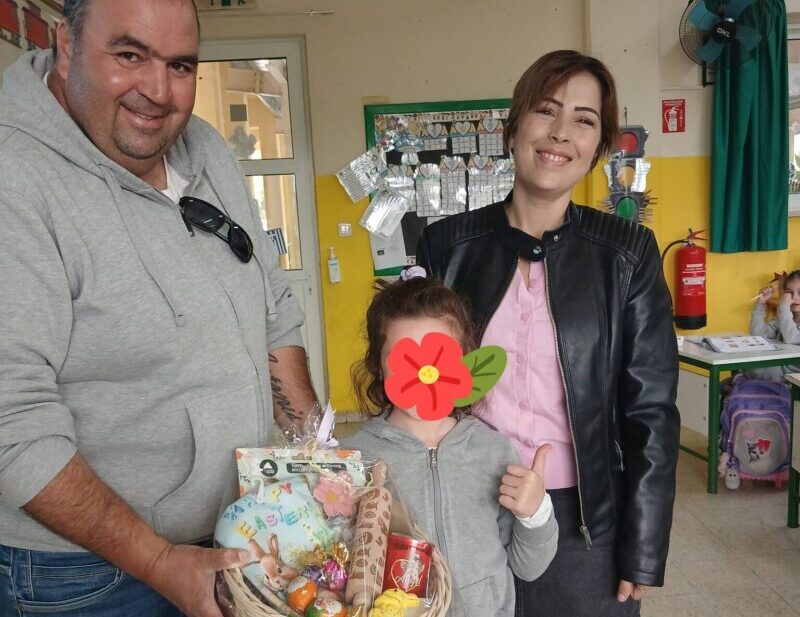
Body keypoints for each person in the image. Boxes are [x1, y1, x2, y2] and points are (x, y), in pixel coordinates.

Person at [0, 1, 319, 616]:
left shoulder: (206, 149)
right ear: (66, 46)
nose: (158, 92)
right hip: (83, 577)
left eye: (180, 66)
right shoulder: (15, 178)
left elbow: (272, 308)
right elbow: (11, 422)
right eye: (129, 55)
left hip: (230, 536)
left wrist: (320, 458)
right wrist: (159, 561)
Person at [416, 50, 680, 617]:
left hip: (582, 519)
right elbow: (413, 386)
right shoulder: (447, 246)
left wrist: (645, 543)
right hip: (467, 504)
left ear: (598, 147)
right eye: (546, 110)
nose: (561, 132)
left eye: (584, 120)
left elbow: (651, 410)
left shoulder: (627, 253)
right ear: (514, 128)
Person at [343, 272, 559, 617]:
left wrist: (535, 513)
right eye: (404, 360)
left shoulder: (493, 452)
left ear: (462, 364)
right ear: (378, 367)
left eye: (437, 358)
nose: (423, 372)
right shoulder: (354, 458)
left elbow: (528, 567)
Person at [749, 270, 800, 380]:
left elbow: (792, 338)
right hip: (778, 370)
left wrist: (783, 307)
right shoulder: (783, 317)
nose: (794, 297)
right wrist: (761, 304)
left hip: (794, 379)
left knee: (760, 370)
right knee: (752, 364)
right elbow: (759, 336)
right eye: (789, 293)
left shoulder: (784, 314)